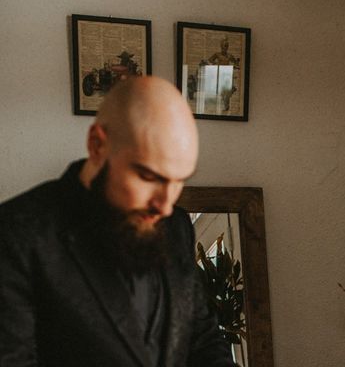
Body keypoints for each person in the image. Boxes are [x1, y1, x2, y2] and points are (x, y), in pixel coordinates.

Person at [0, 76, 237, 367]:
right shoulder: (15, 234)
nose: (164, 205)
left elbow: (203, 337)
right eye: (149, 177)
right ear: (97, 144)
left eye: (179, 181)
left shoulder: (177, 226)